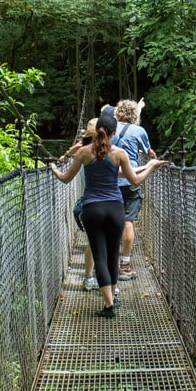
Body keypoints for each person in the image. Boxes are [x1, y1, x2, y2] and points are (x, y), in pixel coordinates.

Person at [51, 113, 168, 318]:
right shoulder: (120, 153)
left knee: (100, 256)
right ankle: (111, 299)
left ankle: (109, 306)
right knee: (113, 255)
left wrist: (53, 168)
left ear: (96, 131)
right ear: (114, 133)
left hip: (92, 209)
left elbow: (65, 178)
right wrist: (150, 166)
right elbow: (134, 180)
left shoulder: (84, 153)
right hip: (116, 209)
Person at [111, 99, 155, 281]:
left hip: (110, 180)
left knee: (111, 222)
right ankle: (125, 264)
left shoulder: (109, 129)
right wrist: (153, 156)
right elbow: (147, 151)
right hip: (131, 180)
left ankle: (108, 262)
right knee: (129, 221)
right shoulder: (139, 131)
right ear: (135, 115)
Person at [64, 118, 99, 291]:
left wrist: (63, 159)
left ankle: (88, 277)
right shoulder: (111, 149)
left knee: (93, 242)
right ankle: (106, 281)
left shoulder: (81, 149)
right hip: (108, 201)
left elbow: (66, 177)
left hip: (87, 201)